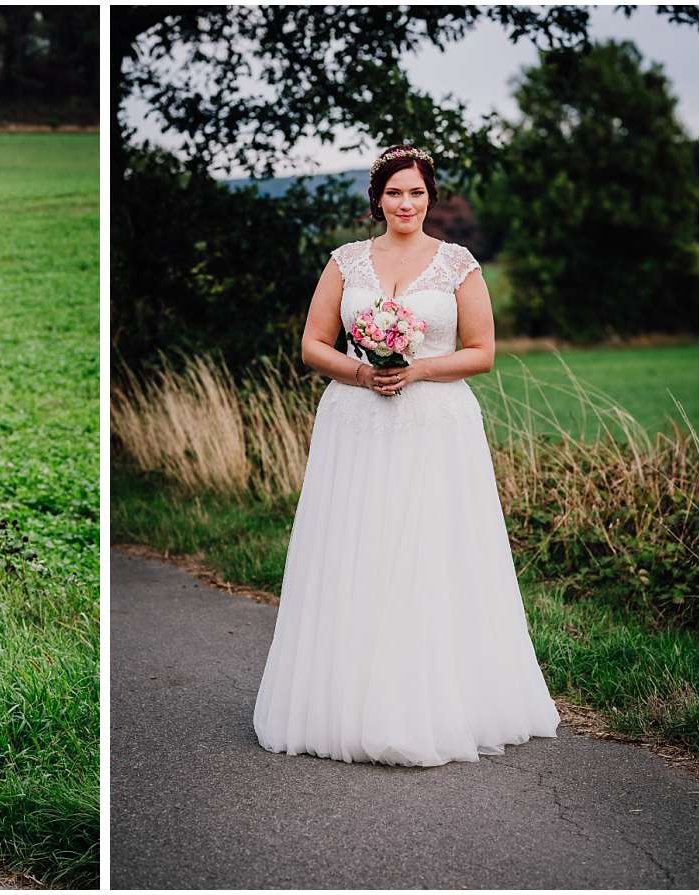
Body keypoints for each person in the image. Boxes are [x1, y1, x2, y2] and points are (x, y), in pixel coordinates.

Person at [252, 144, 560, 766]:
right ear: (377, 200)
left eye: (416, 193)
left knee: (431, 548)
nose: (406, 203)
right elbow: (314, 344)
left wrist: (416, 369)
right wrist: (362, 374)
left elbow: (481, 352)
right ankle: (346, 701)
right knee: (356, 547)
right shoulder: (346, 262)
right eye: (395, 193)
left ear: (430, 198)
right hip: (356, 421)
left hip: (435, 423)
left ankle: (440, 701)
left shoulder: (458, 265)